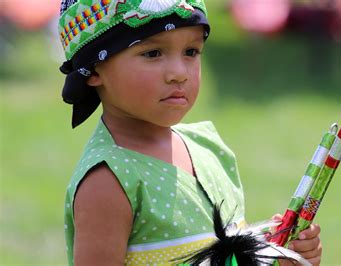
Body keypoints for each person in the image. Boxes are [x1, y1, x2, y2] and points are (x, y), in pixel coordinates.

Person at [58, 0, 322, 265]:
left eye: (191, 52)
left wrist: (275, 255)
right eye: (153, 54)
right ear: (92, 68)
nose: (179, 73)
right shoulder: (109, 180)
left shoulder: (207, 146)